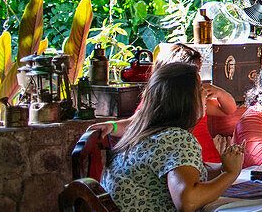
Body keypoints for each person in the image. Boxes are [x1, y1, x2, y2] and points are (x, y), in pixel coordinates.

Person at [99, 62, 244, 212]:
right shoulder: (176, 138)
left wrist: (221, 168)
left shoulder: (143, 133)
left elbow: (182, 176)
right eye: (200, 90)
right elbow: (188, 200)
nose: (205, 94)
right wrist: (231, 173)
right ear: (185, 100)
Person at [86, 43, 237, 162]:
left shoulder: (198, 96)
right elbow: (134, 124)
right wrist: (110, 126)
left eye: (197, 72)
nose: (196, 78)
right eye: (191, 74)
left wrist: (218, 92)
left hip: (207, 159)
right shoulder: (157, 102)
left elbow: (229, 109)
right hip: (181, 162)